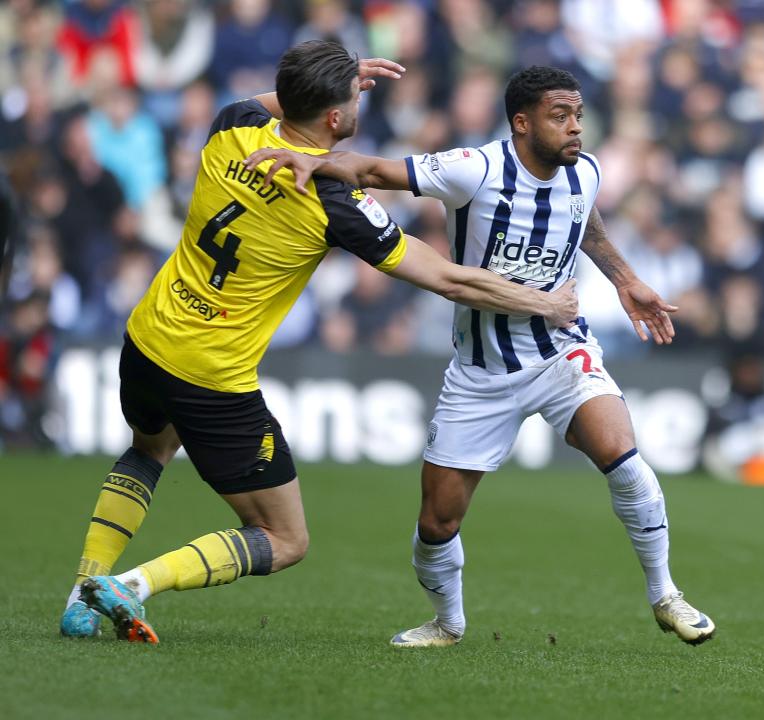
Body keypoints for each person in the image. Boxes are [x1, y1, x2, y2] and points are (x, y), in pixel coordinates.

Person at [60, 42, 579, 644]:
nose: (360, 97)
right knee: (285, 539)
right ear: (335, 118)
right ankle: (132, 584)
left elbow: (276, 101)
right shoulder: (336, 202)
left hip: (148, 337)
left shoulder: (234, 123)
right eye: (353, 94)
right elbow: (449, 279)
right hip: (210, 374)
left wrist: (327, 79)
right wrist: (545, 301)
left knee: (148, 451)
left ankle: (82, 592)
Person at [245, 65, 716, 647]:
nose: (575, 129)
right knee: (436, 524)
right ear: (522, 123)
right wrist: (316, 161)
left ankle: (666, 594)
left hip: (560, 355)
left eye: (578, 116)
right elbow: (373, 170)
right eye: (559, 116)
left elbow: (585, 225)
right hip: (480, 374)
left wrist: (625, 280)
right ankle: (447, 622)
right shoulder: (475, 169)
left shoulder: (585, 173)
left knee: (624, 457)